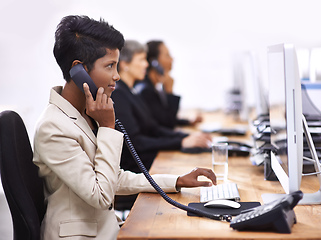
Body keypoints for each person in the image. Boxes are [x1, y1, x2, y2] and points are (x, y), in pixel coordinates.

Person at [32, 15, 217, 240]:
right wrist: (108, 127)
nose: (117, 76)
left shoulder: (84, 114)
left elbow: (114, 177)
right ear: (78, 70)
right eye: (110, 66)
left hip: (105, 229)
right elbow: (100, 194)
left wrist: (176, 180)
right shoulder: (54, 128)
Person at [112, 40, 213, 212]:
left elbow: (154, 127)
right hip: (135, 169)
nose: (147, 64)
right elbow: (136, 143)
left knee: (191, 162)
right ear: (125, 64)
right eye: (142, 60)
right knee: (186, 173)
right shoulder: (119, 94)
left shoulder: (131, 91)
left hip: (146, 161)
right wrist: (180, 143)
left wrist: (184, 138)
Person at [134, 40, 203, 129]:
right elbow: (167, 123)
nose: (172, 59)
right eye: (167, 55)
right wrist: (169, 90)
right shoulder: (146, 90)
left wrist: (188, 122)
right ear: (154, 62)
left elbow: (161, 116)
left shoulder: (153, 86)